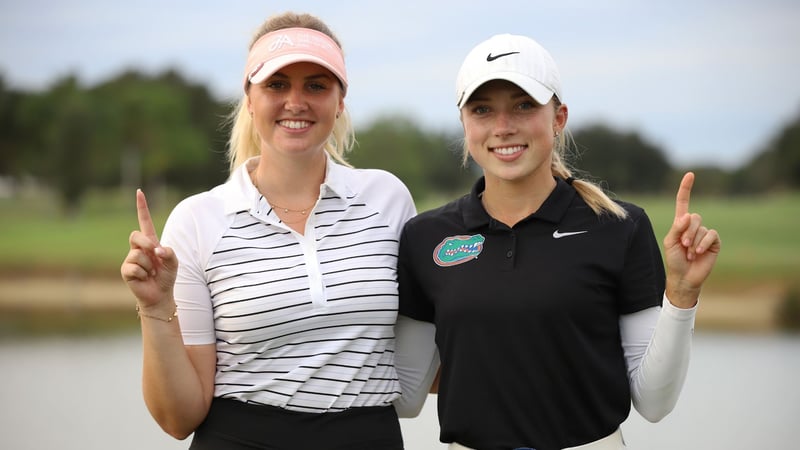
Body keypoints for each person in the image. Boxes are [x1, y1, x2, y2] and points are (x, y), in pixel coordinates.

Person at [396, 34, 721, 450]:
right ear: (464, 123)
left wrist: (682, 292)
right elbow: (406, 394)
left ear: (559, 117)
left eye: (524, 105)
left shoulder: (619, 227)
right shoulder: (427, 237)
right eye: (482, 110)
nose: (502, 127)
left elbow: (654, 402)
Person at [120, 12, 419, 449]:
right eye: (276, 85)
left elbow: (425, 351)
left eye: (316, 85)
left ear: (340, 100)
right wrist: (155, 305)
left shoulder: (387, 200)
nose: (295, 101)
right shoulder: (198, 219)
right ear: (250, 98)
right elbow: (178, 418)